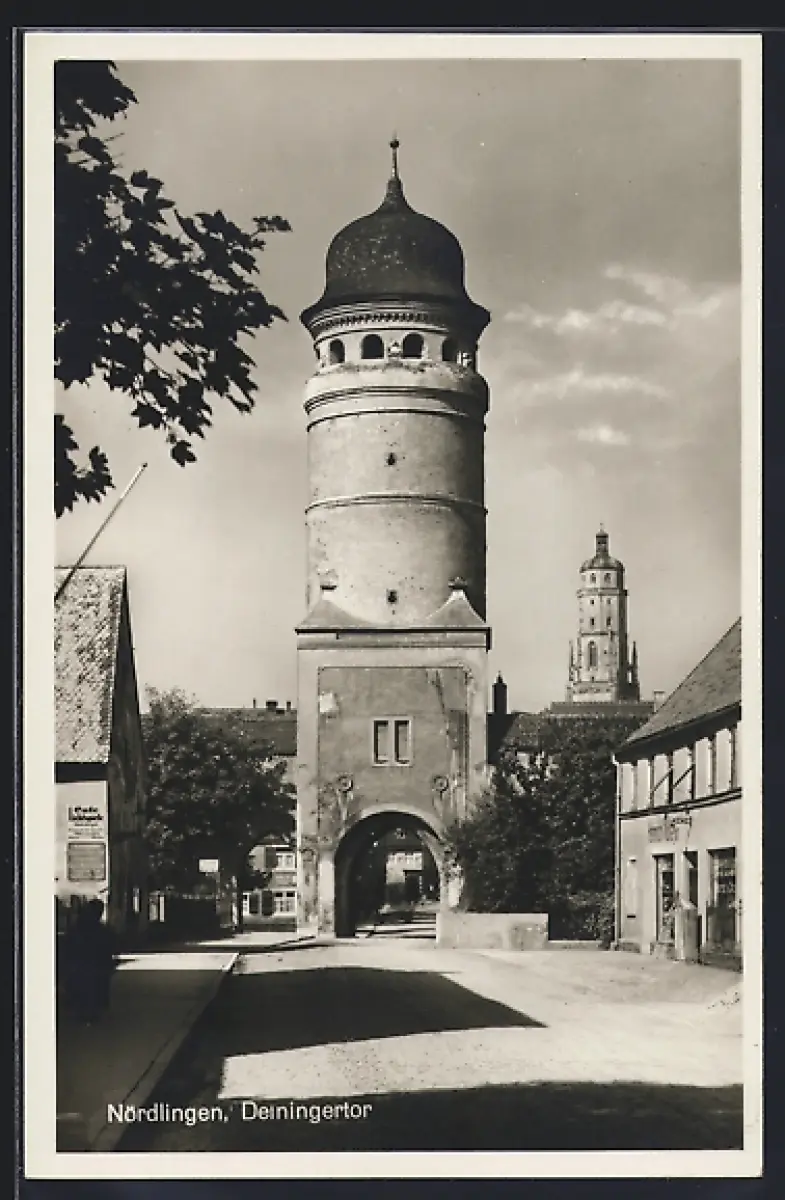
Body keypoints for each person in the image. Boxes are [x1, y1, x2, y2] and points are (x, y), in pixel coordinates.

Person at [62, 899, 118, 1024]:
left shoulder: (78, 926)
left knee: (83, 986)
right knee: (96, 986)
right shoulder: (101, 929)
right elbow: (110, 944)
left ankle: (83, 1011)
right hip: (94, 963)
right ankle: (92, 1012)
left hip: (82, 962)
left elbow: (69, 944)